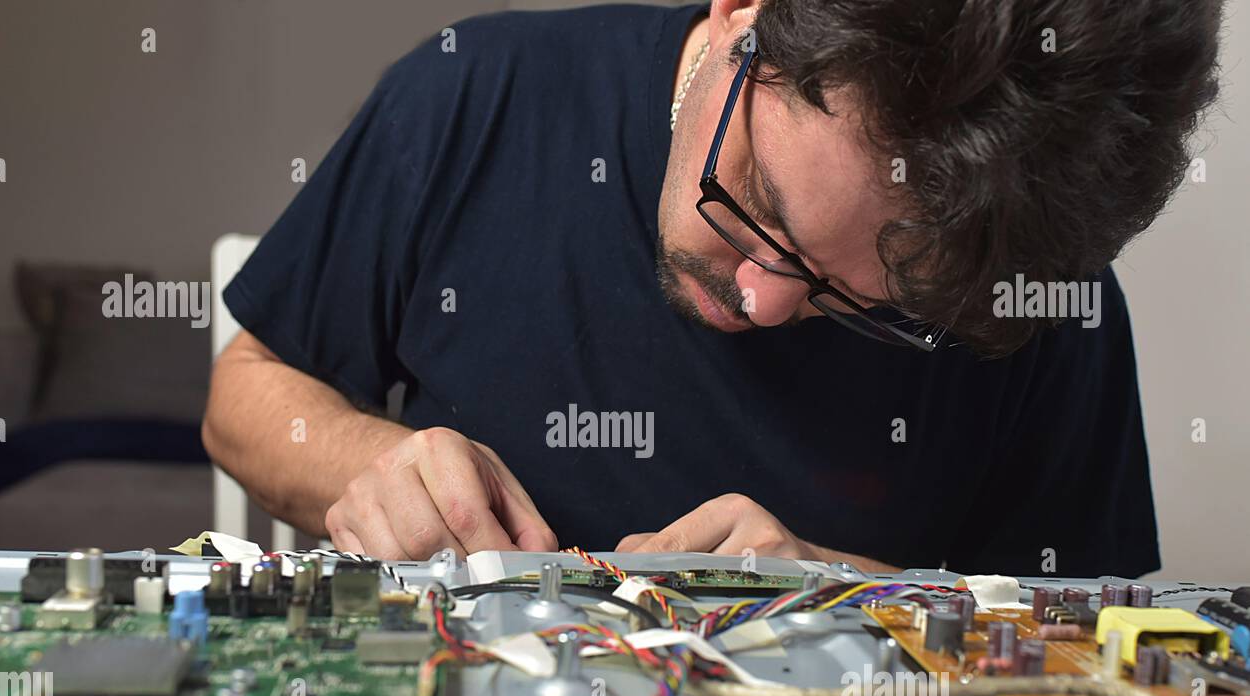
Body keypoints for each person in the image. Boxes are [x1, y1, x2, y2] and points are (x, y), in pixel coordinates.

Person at [203, 0, 1221, 576]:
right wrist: (375, 464)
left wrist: (835, 595)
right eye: (756, 199)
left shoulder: (1028, 297)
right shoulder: (476, 92)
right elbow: (246, 389)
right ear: (743, 13)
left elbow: (1075, 637)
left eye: (859, 296)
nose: (761, 299)